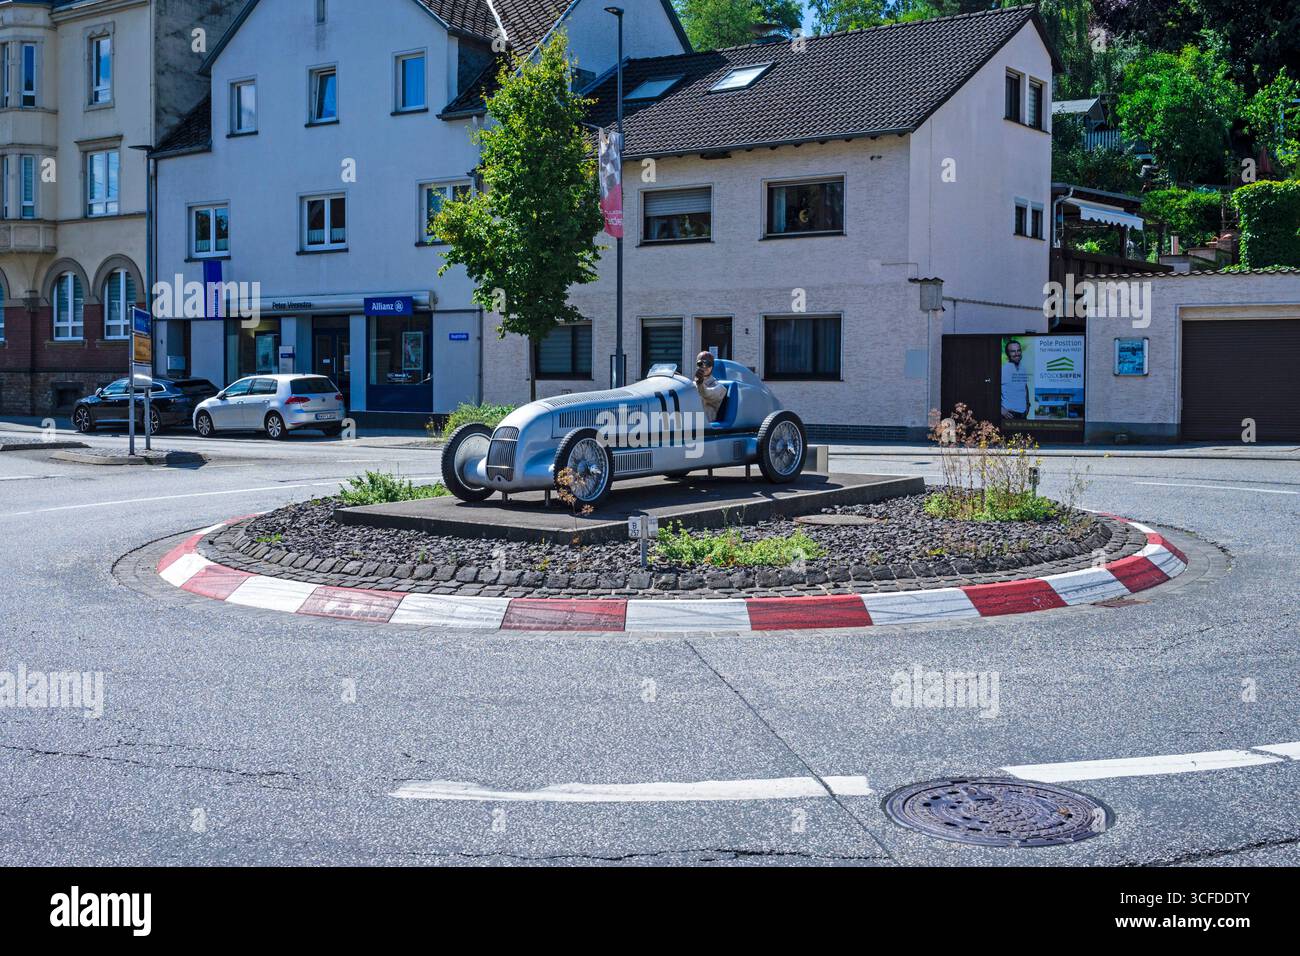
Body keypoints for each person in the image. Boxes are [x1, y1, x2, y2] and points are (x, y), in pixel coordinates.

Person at [694, 351, 727, 423]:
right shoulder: (691, 385)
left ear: (712, 366)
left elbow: (706, 394)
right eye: (700, 363)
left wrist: (700, 383)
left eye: (708, 364)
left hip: (705, 426)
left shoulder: (720, 388)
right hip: (689, 423)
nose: (704, 366)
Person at [1000, 339, 1030, 420]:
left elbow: (1024, 387)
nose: (1017, 353)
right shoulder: (1002, 370)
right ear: (1007, 354)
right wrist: (1001, 409)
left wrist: (1028, 404)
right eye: (1013, 351)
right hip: (1009, 415)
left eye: (1019, 350)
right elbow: (992, 391)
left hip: (1023, 415)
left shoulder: (1023, 369)